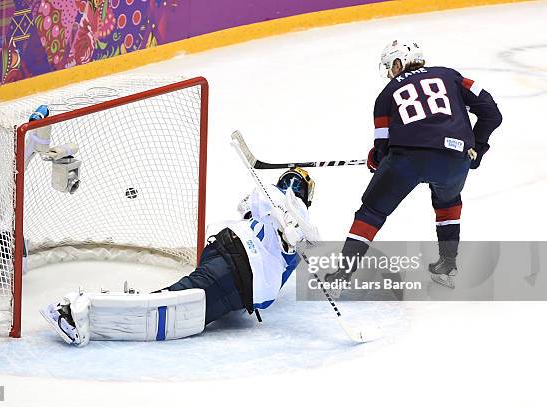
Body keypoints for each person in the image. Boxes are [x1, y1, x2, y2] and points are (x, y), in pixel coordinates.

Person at [41, 167, 317, 346]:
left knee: (178, 305)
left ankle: (95, 309)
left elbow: (299, 241)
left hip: (235, 268)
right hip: (235, 262)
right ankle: (76, 311)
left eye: (296, 184)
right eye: (289, 180)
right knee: (170, 304)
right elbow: (257, 205)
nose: (291, 186)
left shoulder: (297, 217)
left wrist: (293, 233)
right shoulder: (269, 196)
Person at [326, 40, 502, 289]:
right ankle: (447, 265)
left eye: (390, 66)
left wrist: (376, 159)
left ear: (398, 63)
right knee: (448, 202)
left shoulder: (386, 95)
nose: (389, 72)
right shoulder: (449, 76)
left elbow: (383, 148)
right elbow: (492, 113)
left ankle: (342, 275)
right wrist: (478, 148)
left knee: (372, 212)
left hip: (407, 160)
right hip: (455, 157)